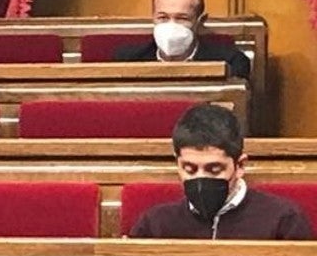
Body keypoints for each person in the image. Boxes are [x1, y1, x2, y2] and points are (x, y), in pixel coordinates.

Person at [130, 103, 311, 240]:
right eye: (190, 169)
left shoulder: (283, 220)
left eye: (214, 170)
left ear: (240, 166)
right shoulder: (155, 224)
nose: (201, 178)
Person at [113, 0, 251, 80]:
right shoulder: (127, 60)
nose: (171, 26)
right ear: (153, 17)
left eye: (181, 19)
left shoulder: (230, 62)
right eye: (163, 17)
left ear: (200, 21)